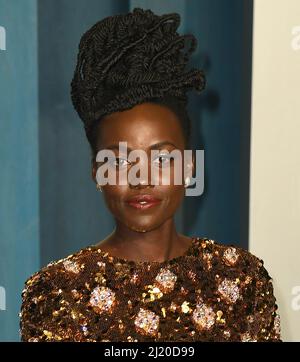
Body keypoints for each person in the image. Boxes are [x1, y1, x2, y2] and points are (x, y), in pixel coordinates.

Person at [20, 7, 281, 342]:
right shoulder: (55, 292)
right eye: (119, 160)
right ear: (97, 172)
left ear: (188, 166)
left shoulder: (244, 280)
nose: (141, 178)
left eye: (161, 158)